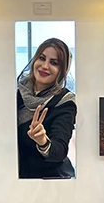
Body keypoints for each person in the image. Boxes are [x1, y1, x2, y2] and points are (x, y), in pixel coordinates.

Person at [17, 37, 76, 179]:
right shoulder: (18, 93)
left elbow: (60, 150)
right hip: (18, 177)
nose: (45, 66)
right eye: (42, 58)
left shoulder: (64, 101)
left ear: (62, 70)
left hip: (51, 181)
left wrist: (42, 141)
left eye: (54, 63)